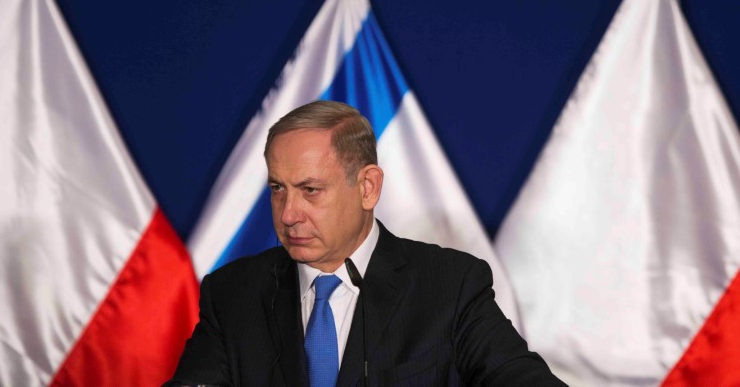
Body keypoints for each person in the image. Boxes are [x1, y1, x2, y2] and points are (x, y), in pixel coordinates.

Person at [167, 101, 564, 386]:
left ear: (368, 187)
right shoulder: (234, 293)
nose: (288, 214)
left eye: (310, 189)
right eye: (277, 189)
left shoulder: (450, 286)